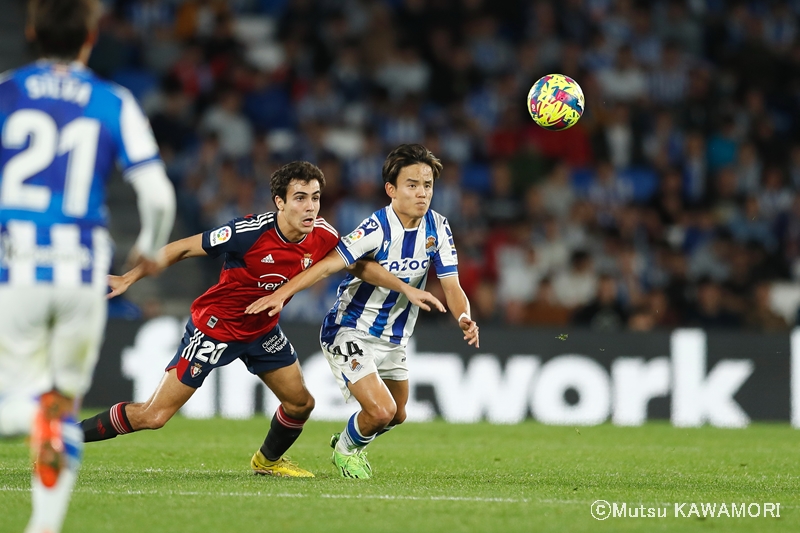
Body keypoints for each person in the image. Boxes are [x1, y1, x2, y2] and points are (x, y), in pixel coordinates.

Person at [79, 161, 443, 478]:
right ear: (280, 202)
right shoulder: (248, 232)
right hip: (215, 328)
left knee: (301, 404)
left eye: (315, 197)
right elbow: (183, 247)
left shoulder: (323, 235)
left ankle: (267, 462)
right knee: (153, 416)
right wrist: (129, 278)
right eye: (300, 197)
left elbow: (358, 264)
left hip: (261, 331)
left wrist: (404, 288)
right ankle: (64, 437)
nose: (310, 206)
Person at [0, 1, 177, 532]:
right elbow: (159, 196)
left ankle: (36, 417)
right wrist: (149, 244)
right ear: (91, 38)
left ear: (31, 32)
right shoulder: (112, 100)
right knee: (59, 404)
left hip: (18, 270)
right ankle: (44, 526)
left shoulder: (6, 91)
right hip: (82, 275)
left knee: (22, 402)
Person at [246, 144, 480, 479]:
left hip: (394, 337)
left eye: (427, 185)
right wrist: (282, 294)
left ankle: (349, 437)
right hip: (350, 329)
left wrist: (463, 317)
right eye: (412, 185)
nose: (421, 193)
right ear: (391, 190)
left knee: (397, 415)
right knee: (381, 410)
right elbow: (327, 265)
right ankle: (346, 451)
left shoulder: (438, 228)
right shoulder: (375, 228)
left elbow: (452, 285)